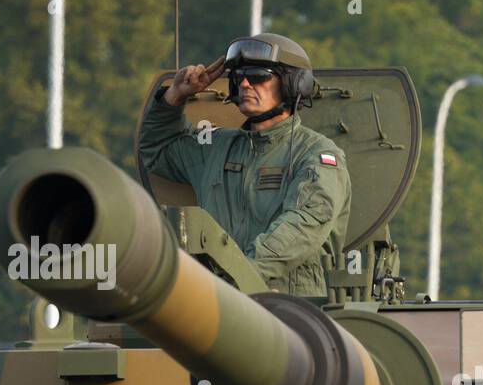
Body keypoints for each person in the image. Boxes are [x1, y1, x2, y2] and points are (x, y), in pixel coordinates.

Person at [139, 33, 351, 296]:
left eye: (259, 76)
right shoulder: (215, 148)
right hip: (217, 303)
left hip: (290, 309)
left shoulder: (317, 156)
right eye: (239, 78)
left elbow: (303, 225)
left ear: (293, 85)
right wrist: (176, 95)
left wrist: (238, 278)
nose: (246, 84)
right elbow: (157, 150)